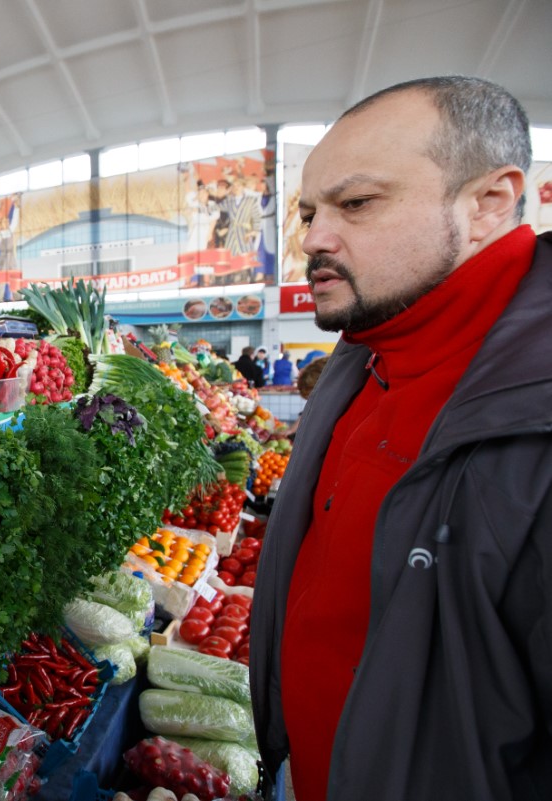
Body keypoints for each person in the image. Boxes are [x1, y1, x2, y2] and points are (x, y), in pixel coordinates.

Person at [249, 76, 552, 801]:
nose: (313, 238)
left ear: (488, 202)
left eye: (356, 203)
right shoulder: (361, 355)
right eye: (309, 211)